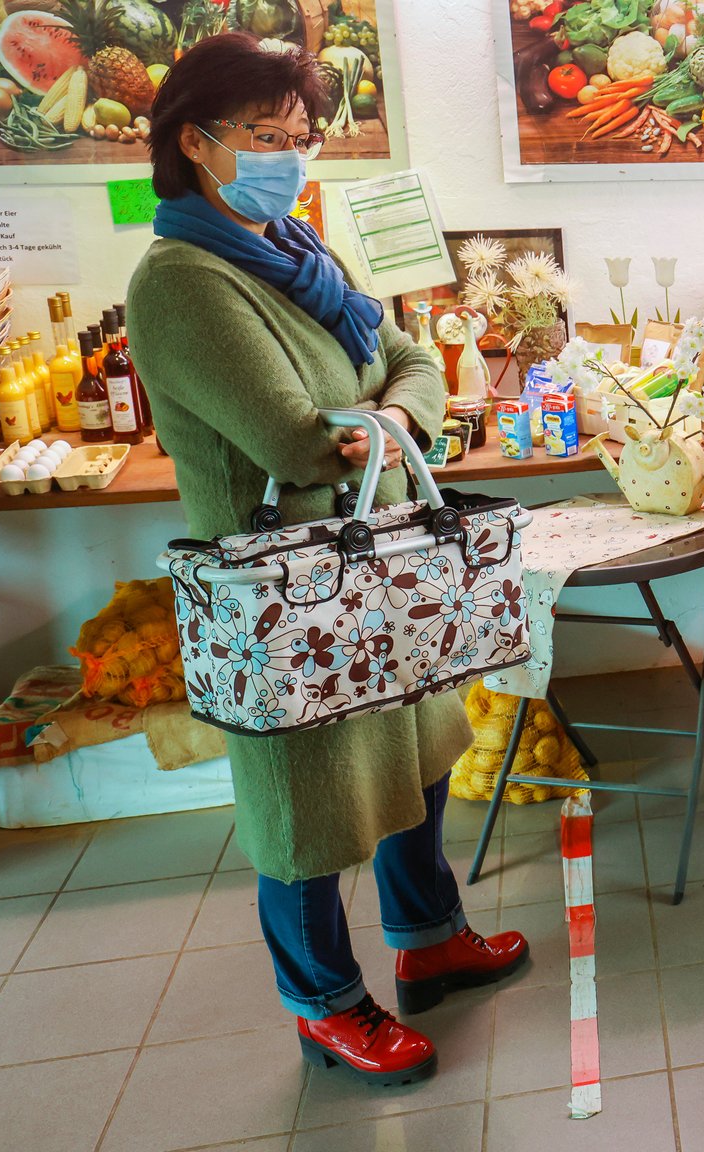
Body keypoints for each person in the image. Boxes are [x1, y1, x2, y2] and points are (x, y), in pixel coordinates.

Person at [126, 34, 526, 1087]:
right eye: (267, 136)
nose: (291, 156)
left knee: (418, 753)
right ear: (196, 143)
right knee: (301, 807)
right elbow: (298, 441)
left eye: (301, 137)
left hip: (377, 560)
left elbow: (406, 355)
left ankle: (428, 936)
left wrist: (388, 414)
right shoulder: (183, 280)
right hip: (283, 584)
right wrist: (376, 419)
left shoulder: (303, 254)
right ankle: (326, 1004)